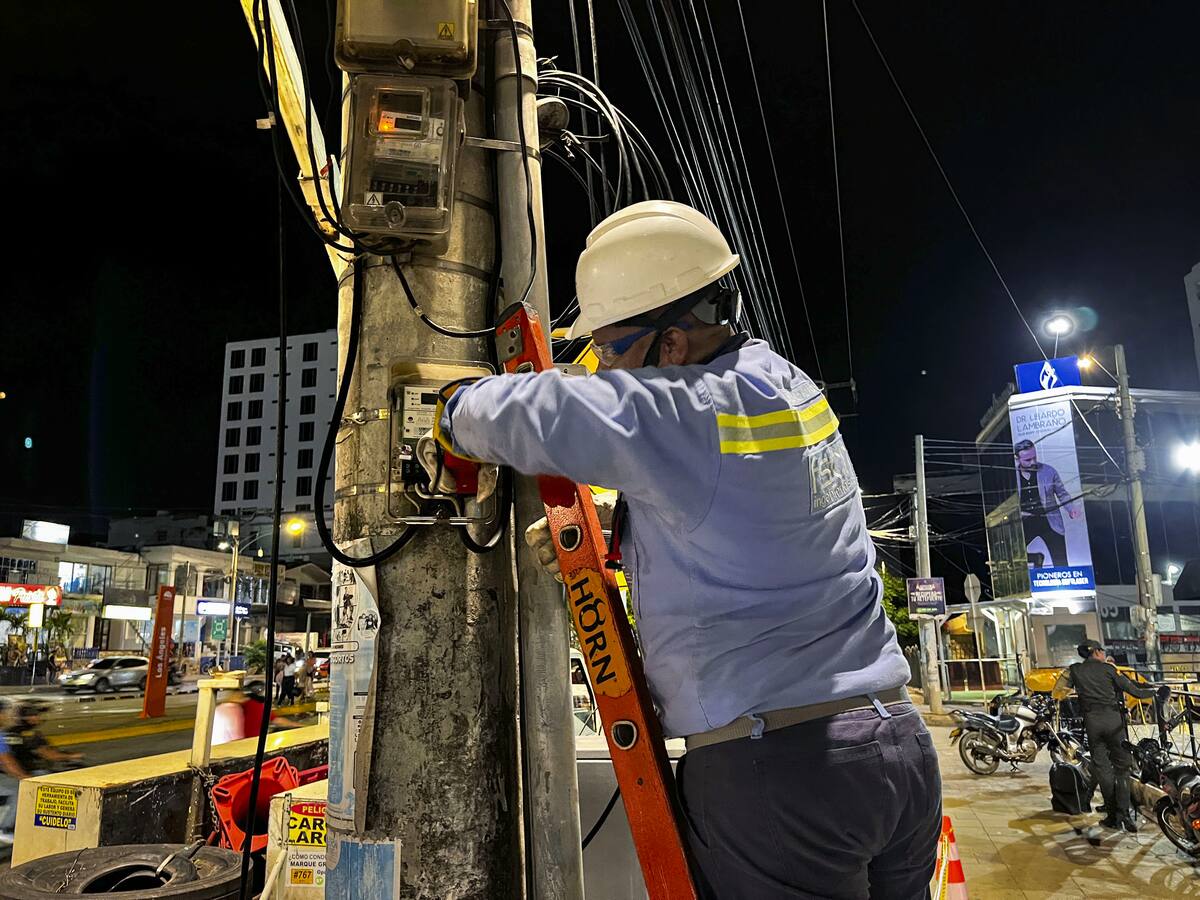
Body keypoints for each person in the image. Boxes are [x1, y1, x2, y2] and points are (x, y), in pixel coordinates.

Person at [430, 201, 937, 898]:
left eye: (610, 349)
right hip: (897, 751)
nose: (604, 368)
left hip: (782, 776)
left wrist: (451, 409)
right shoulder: (783, 386)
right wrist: (615, 540)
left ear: (669, 343)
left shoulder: (692, 409)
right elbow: (750, 526)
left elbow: (538, 413)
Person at [1061, 639, 1163, 832]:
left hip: (1092, 723)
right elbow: (1135, 691)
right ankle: (1124, 814)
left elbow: (1059, 692)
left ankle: (1112, 814)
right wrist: (1156, 692)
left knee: (1103, 769)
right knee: (1122, 768)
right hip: (1114, 722)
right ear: (1097, 652)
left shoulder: (1074, 670)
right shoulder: (1109, 669)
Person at [1014, 439, 1080, 567]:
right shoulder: (1010, 475)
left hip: (1049, 520)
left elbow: (1062, 493)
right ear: (1017, 459)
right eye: (1028, 460)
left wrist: (1071, 508)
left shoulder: (1049, 471)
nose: (1033, 462)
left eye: (1034, 457)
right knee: (1012, 555)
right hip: (1024, 522)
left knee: (1061, 562)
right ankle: (1035, 558)